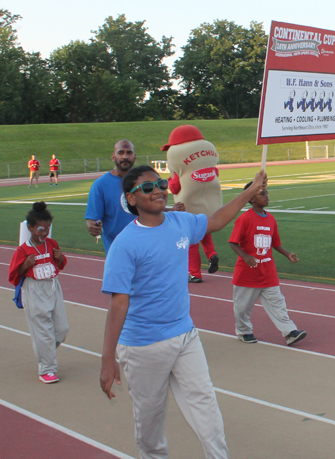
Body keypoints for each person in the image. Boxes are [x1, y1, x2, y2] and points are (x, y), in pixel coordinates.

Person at [99, 165, 267, 459]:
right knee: (150, 421)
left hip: (185, 335)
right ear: (132, 198)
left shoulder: (180, 222)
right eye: (148, 188)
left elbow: (216, 220)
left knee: (205, 404)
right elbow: (118, 303)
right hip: (143, 346)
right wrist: (107, 358)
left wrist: (251, 191)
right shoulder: (125, 244)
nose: (158, 190)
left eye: (160, 184)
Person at [229, 182, 307, 346]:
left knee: (278, 303)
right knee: (243, 308)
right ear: (251, 198)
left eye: (267, 193)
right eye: (262, 194)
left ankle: (290, 332)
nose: (267, 196)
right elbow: (233, 242)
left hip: (267, 272)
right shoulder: (244, 219)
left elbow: (275, 242)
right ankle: (244, 331)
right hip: (247, 274)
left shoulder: (270, 218)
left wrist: (287, 254)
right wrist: (245, 256)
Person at [8, 202, 69, 384]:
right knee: (42, 331)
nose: (44, 233)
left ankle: (46, 352)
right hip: (34, 290)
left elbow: (60, 265)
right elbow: (13, 276)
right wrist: (25, 265)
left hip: (52, 287)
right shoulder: (22, 250)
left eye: (47, 229)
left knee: (61, 330)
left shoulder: (51, 244)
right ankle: (47, 369)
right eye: (40, 229)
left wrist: (60, 259)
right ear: (30, 228)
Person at [162, 125, 221, 283]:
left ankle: (195, 273)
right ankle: (212, 254)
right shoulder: (209, 163)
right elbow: (214, 174)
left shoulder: (180, 167)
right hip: (206, 209)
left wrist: (170, 179)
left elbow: (175, 187)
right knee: (206, 235)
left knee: (192, 243)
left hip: (188, 210)